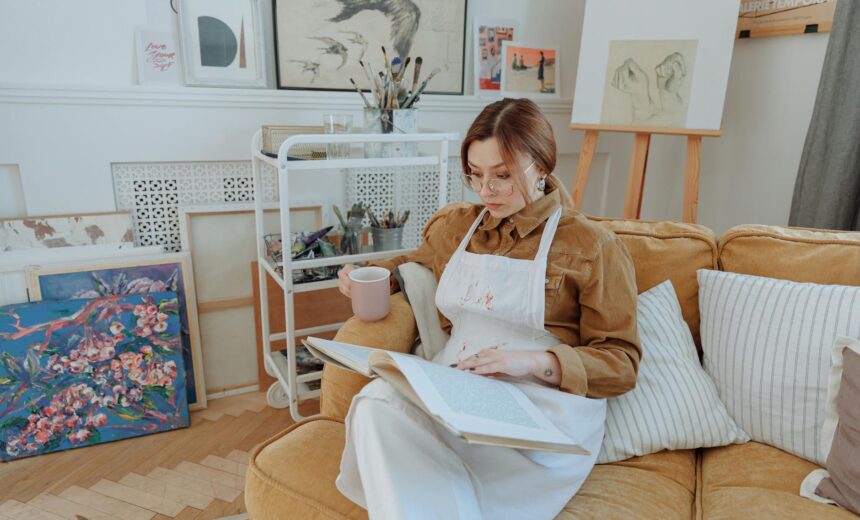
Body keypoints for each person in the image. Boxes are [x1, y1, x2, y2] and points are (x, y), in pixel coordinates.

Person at [335, 98, 641, 519]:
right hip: (459, 388)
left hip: (540, 412)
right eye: (475, 174)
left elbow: (622, 363)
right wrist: (365, 275)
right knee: (376, 402)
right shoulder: (459, 226)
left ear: (541, 165)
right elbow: (411, 263)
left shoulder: (593, 246)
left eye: (502, 175)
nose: (486, 190)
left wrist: (534, 361)